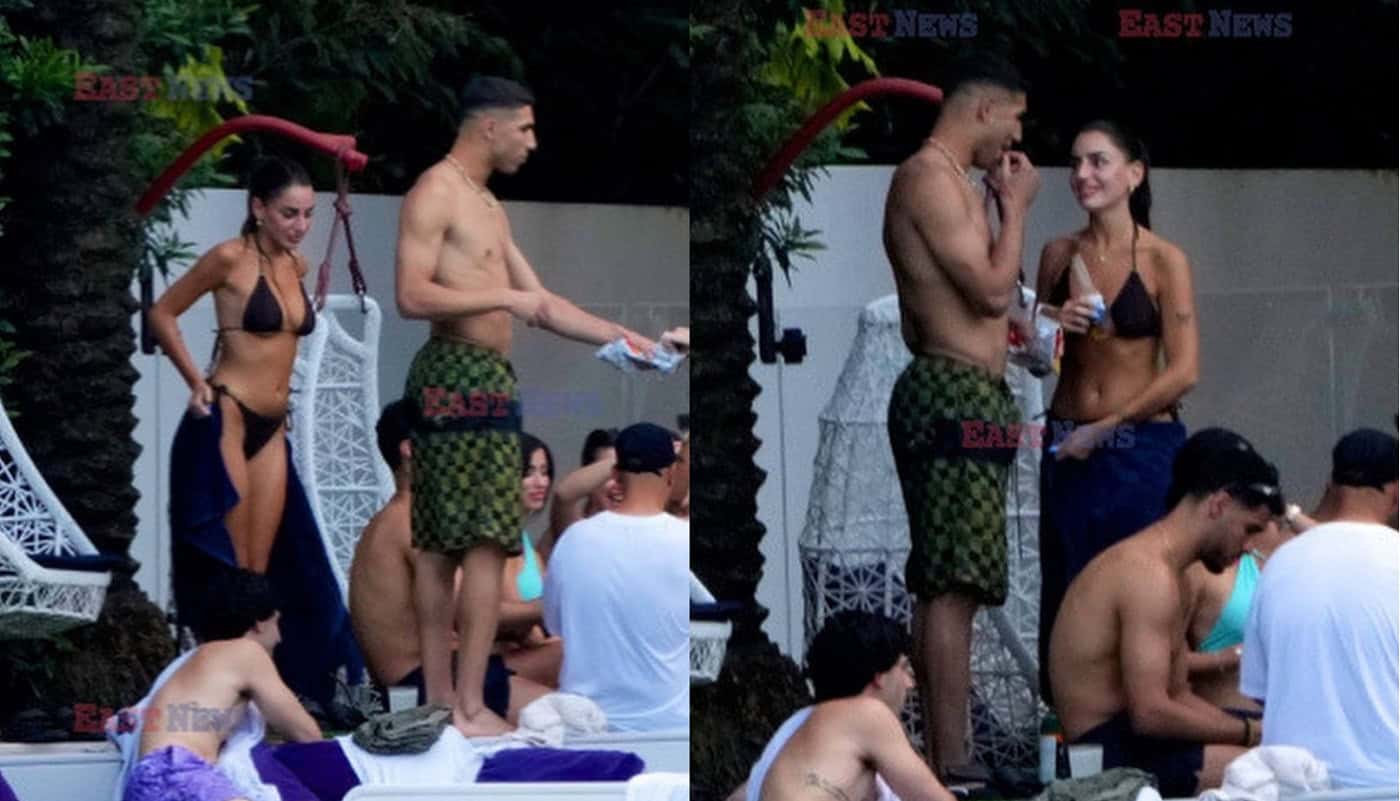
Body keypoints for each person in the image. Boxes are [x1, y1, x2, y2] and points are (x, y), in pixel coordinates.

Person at [394, 75, 657, 736]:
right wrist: (501, 299)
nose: (532, 143)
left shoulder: (488, 204)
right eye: (525, 128)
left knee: (488, 541)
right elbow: (411, 294)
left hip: (490, 378)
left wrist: (625, 340)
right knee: (446, 544)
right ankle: (447, 702)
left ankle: (463, 703)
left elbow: (540, 303)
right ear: (490, 126)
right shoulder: (435, 190)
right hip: (452, 371)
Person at [151, 155, 359, 707]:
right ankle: (220, 695)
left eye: (308, 214)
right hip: (231, 412)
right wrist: (195, 380)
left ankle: (258, 697)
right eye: (289, 213)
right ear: (259, 208)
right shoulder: (229, 258)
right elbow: (162, 313)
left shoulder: (296, 264)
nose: (300, 225)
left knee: (261, 572)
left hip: (273, 426)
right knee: (231, 566)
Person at [881, 53, 1039, 775]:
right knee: (951, 584)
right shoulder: (926, 177)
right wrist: (1019, 209)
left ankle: (950, 756)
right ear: (984, 109)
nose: (1016, 139)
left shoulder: (955, 182)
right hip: (948, 390)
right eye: (1015, 119)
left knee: (956, 582)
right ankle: (953, 761)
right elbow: (990, 290)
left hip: (969, 392)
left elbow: (995, 303)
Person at [1034, 120, 1199, 702]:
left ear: (1134, 174)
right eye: (1076, 163)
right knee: (1068, 581)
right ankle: (1071, 724)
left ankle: (1151, 710)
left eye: (1098, 161)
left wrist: (1107, 427)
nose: (1083, 174)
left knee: (1143, 585)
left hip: (1138, 446)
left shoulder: (1163, 259)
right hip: (1068, 438)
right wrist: (1053, 321)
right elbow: (1034, 356)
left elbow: (1184, 369)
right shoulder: (1059, 253)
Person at [1048, 428, 1282, 796]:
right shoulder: (1148, 574)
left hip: (1138, 741)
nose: (1249, 545)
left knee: (1285, 757)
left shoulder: (1172, 574)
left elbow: (1179, 695)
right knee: (1279, 777)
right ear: (1219, 504)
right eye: (1248, 529)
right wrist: (1250, 733)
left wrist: (1263, 734)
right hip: (1108, 753)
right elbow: (1150, 713)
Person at [349, 401, 549, 723]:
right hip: (422, 685)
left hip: (440, 674)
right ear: (411, 449)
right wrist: (554, 606)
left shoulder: (403, 516)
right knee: (573, 717)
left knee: (571, 680)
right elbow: (470, 612)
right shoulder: (410, 519)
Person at [1240, 428, 1399, 788]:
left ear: (1331, 484)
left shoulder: (1279, 564)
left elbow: (1259, 691)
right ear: (1396, 493)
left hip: (1298, 786)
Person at [118, 570, 322, 801]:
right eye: (277, 623)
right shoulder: (247, 652)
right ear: (259, 624)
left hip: (148, 780)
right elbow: (306, 733)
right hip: (181, 773)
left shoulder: (191, 664)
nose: (279, 637)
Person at [543, 422, 688, 731]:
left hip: (585, 727)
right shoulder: (686, 540)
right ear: (671, 473)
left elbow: (554, 625)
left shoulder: (573, 540)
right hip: (671, 727)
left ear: (615, 474)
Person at [724, 610, 956, 801]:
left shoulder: (796, 729)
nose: (910, 683)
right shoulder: (869, 714)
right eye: (904, 668)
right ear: (879, 676)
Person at [1183, 515, 1294, 713]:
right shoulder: (1202, 570)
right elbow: (1160, 666)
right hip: (1230, 717)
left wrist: (1294, 515)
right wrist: (1233, 655)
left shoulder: (1310, 549)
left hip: (1295, 723)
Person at [497, 431, 564, 687]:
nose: (540, 482)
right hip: (498, 664)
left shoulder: (526, 545)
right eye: (529, 473)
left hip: (528, 656)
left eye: (544, 472)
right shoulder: (496, 540)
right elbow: (502, 613)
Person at [543, 427, 623, 556]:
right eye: (609, 474)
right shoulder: (572, 526)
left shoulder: (639, 527)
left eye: (625, 474)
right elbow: (563, 495)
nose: (619, 484)